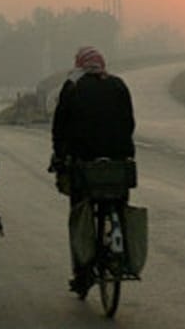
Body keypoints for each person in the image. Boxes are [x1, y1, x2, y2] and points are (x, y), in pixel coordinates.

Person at [50, 46, 135, 296]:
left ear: (80, 65)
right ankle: (122, 251)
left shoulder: (73, 87)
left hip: (84, 165)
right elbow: (129, 123)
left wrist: (59, 155)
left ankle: (81, 273)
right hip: (118, 164)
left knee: (80, 213)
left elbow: (60, 127)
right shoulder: (118, 85)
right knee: (119, 204)